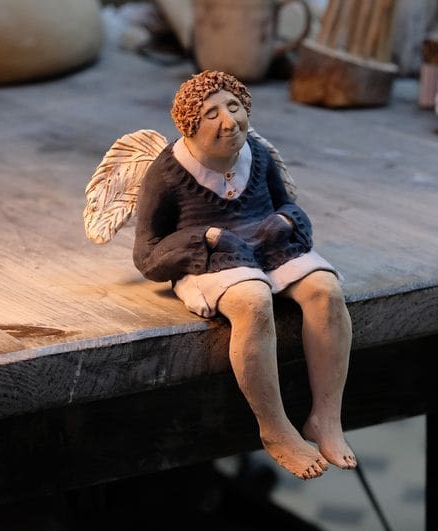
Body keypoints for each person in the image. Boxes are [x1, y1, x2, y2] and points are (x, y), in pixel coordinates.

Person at [133, 70, 356, 480]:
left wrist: (285, 221)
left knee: (326, 290)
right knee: (253, 300)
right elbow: (147, 256)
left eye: (234, 107)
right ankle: (275, 429)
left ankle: (326, 417)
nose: (229, 121)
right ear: (190, 127)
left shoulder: (258, 154)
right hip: (211, 257)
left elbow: (286, 203)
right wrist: (206, 238)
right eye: (211, 114)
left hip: (269, 243)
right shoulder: (167, 173)